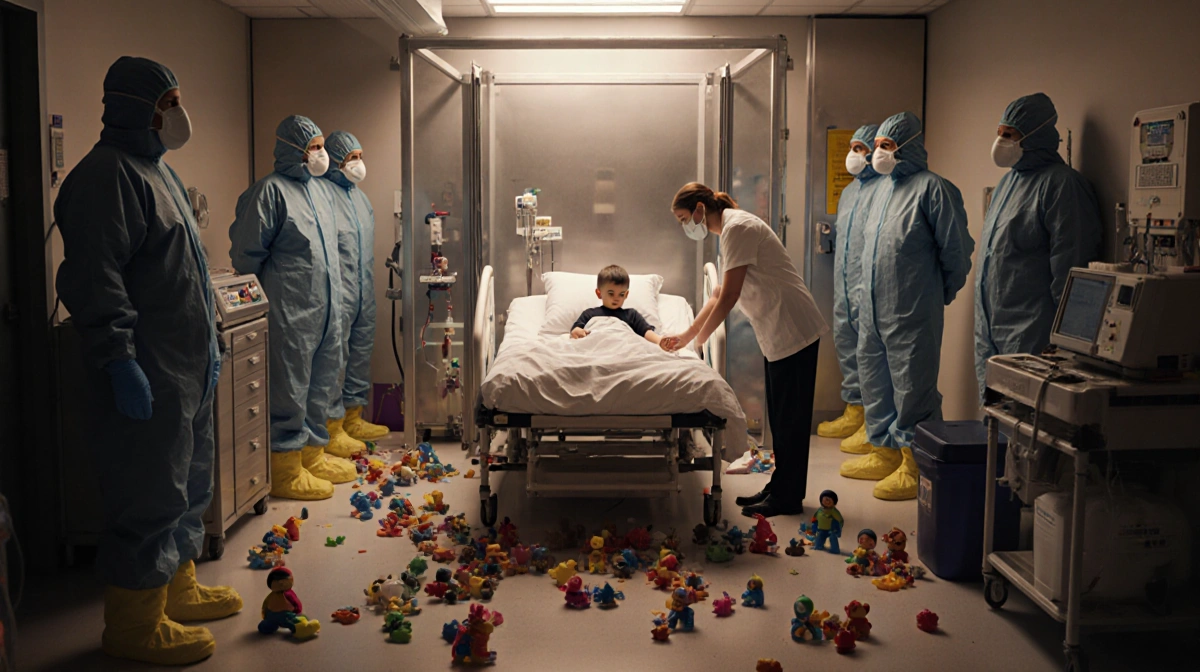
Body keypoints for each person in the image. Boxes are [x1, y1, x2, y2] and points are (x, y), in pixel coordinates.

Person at [55, 56, 241, 666]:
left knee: (189, 483)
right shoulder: (106, 177)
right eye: (168, 104)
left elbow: (180, 272)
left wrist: (209, 345)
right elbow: (93, 277)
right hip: (147, 369)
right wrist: (118, 359)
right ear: (135, 107)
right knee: (148, 490)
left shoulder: (158, 172)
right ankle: (134, 622)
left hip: (185, 366)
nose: (178, 115)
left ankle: (176, 589)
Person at [663, 183, 828, 517]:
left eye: (684, 219)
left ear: (699, 209)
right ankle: (780, 487)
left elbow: (729, 297)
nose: (686, 227)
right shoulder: (731, 229)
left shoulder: (736, 227)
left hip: (794, 327)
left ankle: (788, 497)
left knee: (790, 422)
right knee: (781, 419)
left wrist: (699, 342)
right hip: (778, 332)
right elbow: (718, 291)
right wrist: (687, 335)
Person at [839, 112, 974, 501]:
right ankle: (883, 450)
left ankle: (916, 464)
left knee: (913, 387)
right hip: (873, 311)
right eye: (877, 144)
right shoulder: (880, 190)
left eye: (887, 145)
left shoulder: (934, 189)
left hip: (911, 308)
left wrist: (934, 294)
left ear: (909, 146)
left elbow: (957, 252)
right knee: (876, 381)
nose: (879, 152)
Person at [229, 115, 356, 500]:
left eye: (321, 147)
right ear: (292, 150)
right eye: (313, 147)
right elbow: (246, 254)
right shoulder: (269, 192)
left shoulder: (320, 192)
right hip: (291, 311)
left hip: (325, 309)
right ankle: (284, 467)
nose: (319, 154)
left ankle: (313, 455)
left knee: (320, 383)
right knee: (290, 387)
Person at [976, 93, 1101, 400]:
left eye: (1010, 135)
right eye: (1000, 133)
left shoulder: (1062, 186)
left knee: (1030, 428)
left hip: (1033, 335)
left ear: (1036, 136)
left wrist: (1065, 341)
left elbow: (1071, 270)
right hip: (994, 330)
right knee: (997, 422)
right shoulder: (1008, 183)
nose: (1001, 141)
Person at [320, 131, 391, 441]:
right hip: (337, 292)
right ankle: (331, 426)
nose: (359, 163)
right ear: (337, 160)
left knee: (360, 353)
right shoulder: (322, 195)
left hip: (363, 290)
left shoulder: (361, 199)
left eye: (361, 157)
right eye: (352, 158)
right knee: (335, 359)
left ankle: (353, 417)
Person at [818, 124, 883, 453]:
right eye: (853, 148)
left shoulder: (885, 189)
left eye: (861, 148)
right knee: (847, 345)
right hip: (844, 285)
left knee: (872, 357)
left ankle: (874, 421)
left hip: (868, 287)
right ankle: (855, 410)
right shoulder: (850, 192)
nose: (854, 155)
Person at [570, 265, 662, 346]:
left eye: (621, 294)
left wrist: (660, 341)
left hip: (625, 349)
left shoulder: (631, 315)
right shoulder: (589, 314)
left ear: (626, 295)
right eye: (611, 293)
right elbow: (575, 330)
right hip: (596, 349)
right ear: (599, 293)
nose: (616, 298)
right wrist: (577, 331)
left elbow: (646, 332)